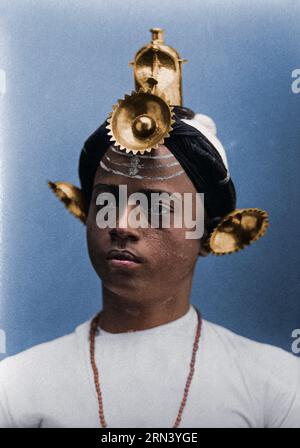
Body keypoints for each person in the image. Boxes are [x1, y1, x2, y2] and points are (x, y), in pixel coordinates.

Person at [0, 29, 299, 429]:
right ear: (85, 212)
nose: (123, 225)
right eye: (108, 203)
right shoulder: (17, 388)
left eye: (157, 207)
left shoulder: (276, 388)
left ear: (213, 232)